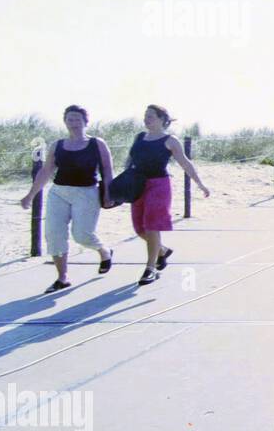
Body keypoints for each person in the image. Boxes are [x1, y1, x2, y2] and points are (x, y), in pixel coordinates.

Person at [19, 105, 115, 293]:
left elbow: (108, 170)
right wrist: (30, 195)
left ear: (85, 122)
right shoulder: (58, 145)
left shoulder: (97, 143)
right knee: (54, 234)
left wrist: (108, 194)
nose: (74, 123)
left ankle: (104, 251)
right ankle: (62, 278)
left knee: (82, 235)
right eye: (70, 119)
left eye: (77, 119)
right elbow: (46, 171)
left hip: (87, 192)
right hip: (59, 192)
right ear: (65, 122)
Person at [125, 104, 209, 286]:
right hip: (137, 184)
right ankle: (161, 251)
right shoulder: (139, 137)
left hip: (158, 185)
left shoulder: (170, 140)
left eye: (151, 116)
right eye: (145, 116)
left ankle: (150, 268)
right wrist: (123, 181)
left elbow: (185, 163)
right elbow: (130, 159)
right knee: (139, 228)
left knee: (151, 226)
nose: (146, 119)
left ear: (163, 119)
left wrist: (200, 184)